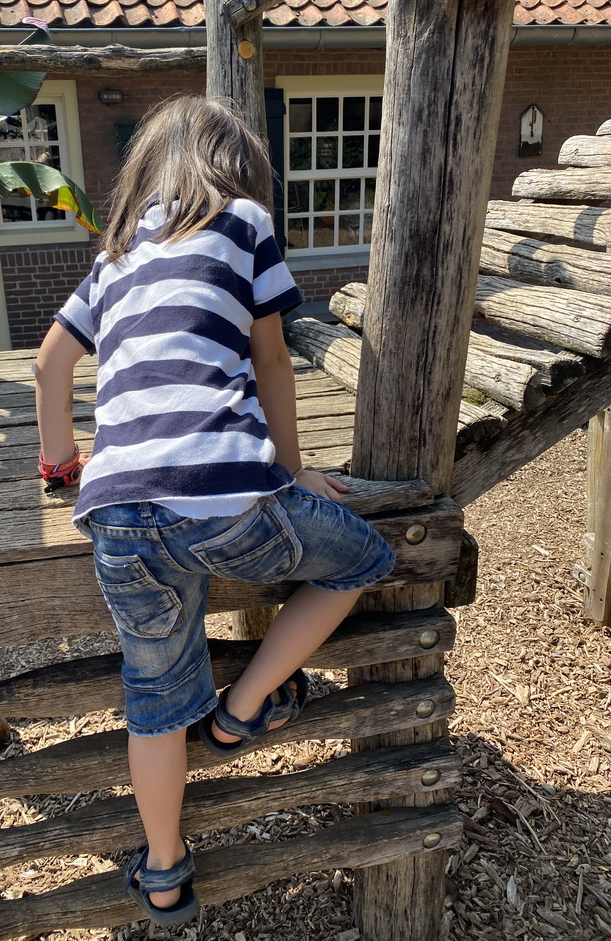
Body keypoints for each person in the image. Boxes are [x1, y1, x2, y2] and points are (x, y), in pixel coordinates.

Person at [34, 95, 395, 926]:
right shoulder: (243, 221)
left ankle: (163, 872)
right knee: (362, 562)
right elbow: (272, 356)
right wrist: (294, 474)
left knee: (153, 702)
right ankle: (241, 712)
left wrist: (60, 463)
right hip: (230, 498)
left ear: (147, 169)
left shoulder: (117, 252)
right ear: (237, 167)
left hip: (118, 513)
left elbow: (52, 363)